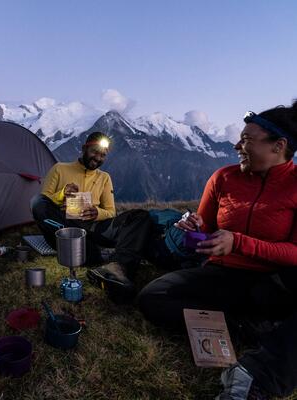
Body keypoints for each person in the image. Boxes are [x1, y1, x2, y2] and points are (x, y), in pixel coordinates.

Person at [137, 102, 297, 399]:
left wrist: (238, 242)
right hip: (223, 274)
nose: (237, 145)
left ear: (278, 146)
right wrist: (194, 224)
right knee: (152, 297)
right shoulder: (224, 177)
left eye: (247, 140)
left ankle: (260, 373)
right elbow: (207, 227)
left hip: (274, 283)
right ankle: (246, 326)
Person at [31, 132, 152, 303]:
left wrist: (97, 212)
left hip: (94, 226)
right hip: (65, 226)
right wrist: (61, 194)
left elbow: (110, 211)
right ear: (84, 148)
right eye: (95, 152)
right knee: (36, 202)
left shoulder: (104, 178)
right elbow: (44, 201)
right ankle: (94, 253)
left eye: (103, 155)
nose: (98, 157)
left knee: (140, 216)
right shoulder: (60, 169)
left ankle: (117, 267)